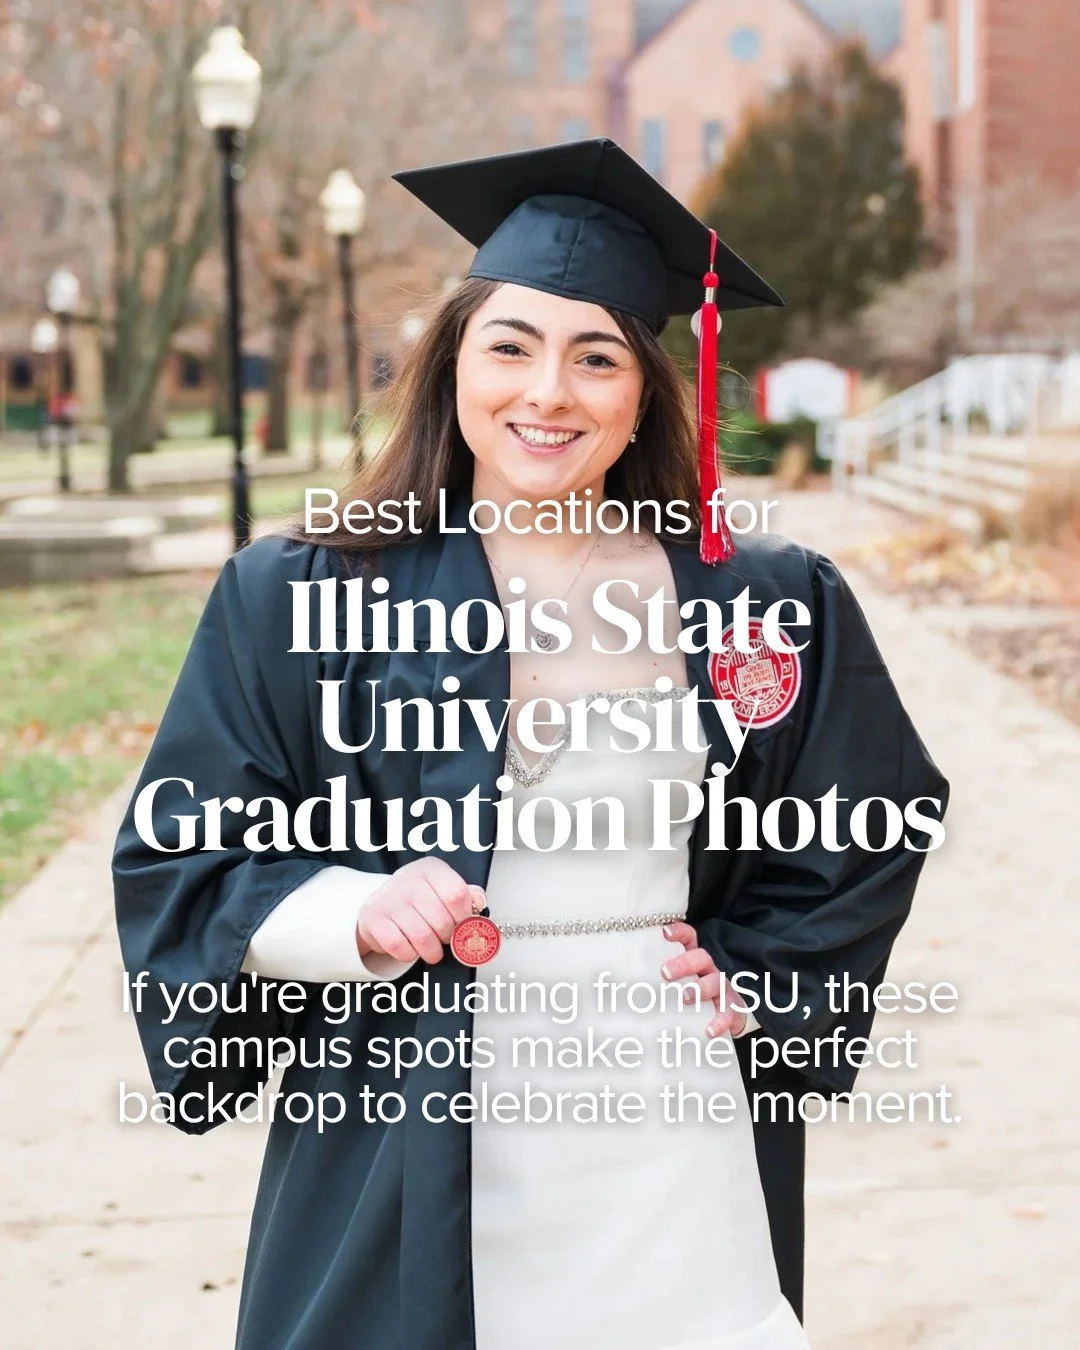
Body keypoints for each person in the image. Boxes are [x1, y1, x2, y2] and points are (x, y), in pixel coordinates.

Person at [113, 138, 948, 1350]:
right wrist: (346, 913)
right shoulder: (294, 597)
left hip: (666, 1118)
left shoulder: (761, 599)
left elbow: (872, 818)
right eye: (510, 346)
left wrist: (765, 974)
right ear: (453, 361)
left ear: (645, 389)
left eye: (595, 356)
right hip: (409, 1096)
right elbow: (182, 854)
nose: (547, 394)